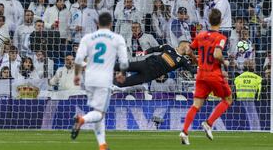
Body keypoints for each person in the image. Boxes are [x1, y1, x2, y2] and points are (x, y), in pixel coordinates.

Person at [71, 12, 129, 150]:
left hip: (89, 79)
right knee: (99, 113)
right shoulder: (117, 38)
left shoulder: (88, 37)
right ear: (111, 23)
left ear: (97, 23)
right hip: (104, 80)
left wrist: (77, 75)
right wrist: (122, 73)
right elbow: (124, 61)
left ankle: (102, 145)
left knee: (97, 111)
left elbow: (78, 59)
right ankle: (82, 119)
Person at [179, 8, 232, 145]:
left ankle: (184, 132)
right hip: (214, 74)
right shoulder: (221, 37)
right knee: (228, 99)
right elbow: (216, 54)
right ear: (220, 21)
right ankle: (208, 123)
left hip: (201, 74)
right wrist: (224, 61)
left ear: (208, 20)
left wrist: (196, 60)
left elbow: (188, 50)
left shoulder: (200, 35)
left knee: (196, 105)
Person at [114, 41, 196, 88]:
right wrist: (141, 54)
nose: (191, 51)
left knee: (123, 83)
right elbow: (153, 49)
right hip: (144, 64)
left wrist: (205, 68)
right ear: (185, 45)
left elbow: (192, 70)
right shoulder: (167, 47)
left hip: (149, 75)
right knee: (121, 66)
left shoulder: (183, 60)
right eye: (191, 48)